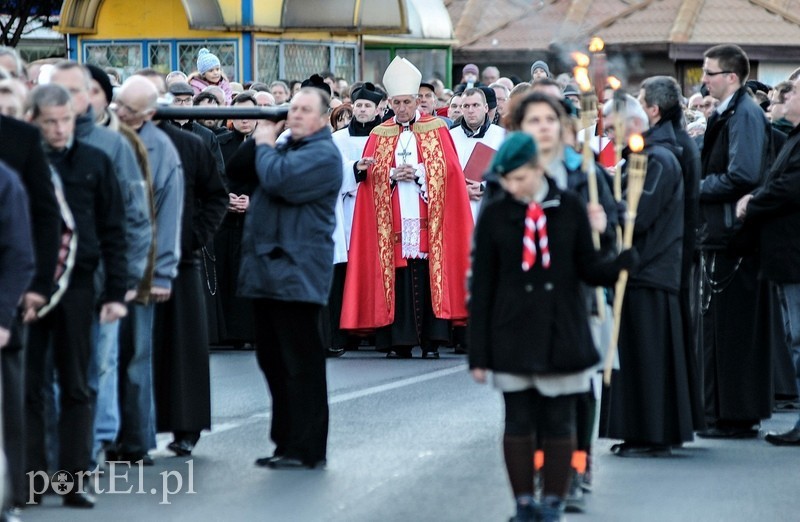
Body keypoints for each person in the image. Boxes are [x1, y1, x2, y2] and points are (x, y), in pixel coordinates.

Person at [469, 132, 635, 522]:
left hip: (563, 330)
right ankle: (524, 502)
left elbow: (589, 269)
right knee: (518, 421)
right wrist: (479, 353)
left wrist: (619, 255)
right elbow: (483, 286)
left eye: (518, 178)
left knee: (561, 421)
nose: (511, 187)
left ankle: (554, 503)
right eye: (506, 181)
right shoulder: (496, 212)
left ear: (537, 167)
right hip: (512, 330)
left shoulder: (570, 207)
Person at [26, 83, 128, 508]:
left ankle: (72, 479)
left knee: (76, 383)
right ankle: (31, 479)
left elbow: (114, 231)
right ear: (34, 121)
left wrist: (116, 292)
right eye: (49, 122)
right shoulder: (22, 163)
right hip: (28, 287)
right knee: (30, 386)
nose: (59, 129)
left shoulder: (96, 161)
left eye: (65, 120)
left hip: (80, 285)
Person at [50, 61, 153, 469]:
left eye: (81, 91)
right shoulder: (38, 145)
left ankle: (95, 441)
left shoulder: (114, 146)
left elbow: (134, 215)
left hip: (101, 276)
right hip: (52, 281)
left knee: (101, 362)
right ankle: (60, 445)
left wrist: (127, 278)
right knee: (57, 369)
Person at [341, 56, 473, 359]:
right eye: (397, 103)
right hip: (394, 222)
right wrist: (387, 174)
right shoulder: (379, 134)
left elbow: (451, 172)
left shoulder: (437, 128)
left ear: (418, 101)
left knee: (429, 274)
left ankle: (431, 342)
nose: (402, 108)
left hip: (428, 219)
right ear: (389, 102)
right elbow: (368, 174)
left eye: (407, 102)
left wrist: (420, 173)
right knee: (397, 277)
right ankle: (398, 341)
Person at [236, 87, 341, 469]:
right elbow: (237, 169)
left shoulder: (323, 155)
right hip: (268, 272)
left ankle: (307, 447)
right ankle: (286, 442)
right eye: (291, 108)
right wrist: (260, 136)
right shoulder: (285, 147)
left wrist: (265, 143)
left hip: (298, 274)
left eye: (304, 110)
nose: (294, 115)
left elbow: (280, 182)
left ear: (323, 117)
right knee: (273, 362)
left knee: (301, 364)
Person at [602, 94, 693, 456]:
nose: (609, 137)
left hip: (649, 267)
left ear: (633, 123)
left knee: (648, 358)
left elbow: (639, 215)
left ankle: (651, 435)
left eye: (612, 128)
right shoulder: (642, 158)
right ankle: (645, 432)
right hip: (642, 268)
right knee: (640, 355)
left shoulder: (658, 160)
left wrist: (605, 211)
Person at [697, 44, 773, 438]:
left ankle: (733, 415)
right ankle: (723, 412)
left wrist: (696, 187)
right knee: (721, 328)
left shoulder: (744, 113)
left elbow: (742, 174)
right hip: (723, 231)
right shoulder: (730, 112)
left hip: (732, 234)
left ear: (731, 76)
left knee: (732, 330)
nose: (703, 79)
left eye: (709, 73)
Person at [112, 76, 184, 465]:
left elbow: (168, 216)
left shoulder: (160, 151)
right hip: (109, 264)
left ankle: (137, 441)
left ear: (150, 114)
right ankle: (110, 435)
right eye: (119, 105)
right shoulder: (109, 134)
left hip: (141, 269)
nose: (120, 113)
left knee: (136, 358)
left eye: (129, 110)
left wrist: (161, 274)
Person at [638, 76, 705, 432]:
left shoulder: (668, 150)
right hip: (671, 253)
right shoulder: (675, 141)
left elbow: (649, 210)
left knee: (660, 346)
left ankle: (659, 426)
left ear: (653, 109)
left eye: (640, 101)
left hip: (662, 256)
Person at [736, 77, 800, 445]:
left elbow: (789, 186)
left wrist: (752, 202)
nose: (781, 98)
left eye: (789, 92)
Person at [328, 83, 384, 356]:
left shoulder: (385, 136)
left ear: (377, 110)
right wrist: (354, 170)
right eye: (358, 106)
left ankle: (374, 329)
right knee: (345, 272)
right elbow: (331, 172)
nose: (362, 110)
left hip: (377, 212)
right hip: (346, 210)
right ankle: (346, 330)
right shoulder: (337, 138)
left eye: (367, 106)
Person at [449, 87, 506, 220]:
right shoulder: (450, 137)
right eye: (466, 106)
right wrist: (462, 191)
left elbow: (509, 174)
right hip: (458, 210)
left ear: (486, 107)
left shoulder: (501, 136)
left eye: (476, 105)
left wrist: (484, 186)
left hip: (490, 210)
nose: (471, 110)